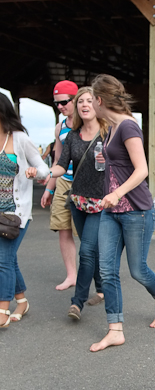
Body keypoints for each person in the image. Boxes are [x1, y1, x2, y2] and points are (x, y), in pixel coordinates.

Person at [89, 74, 155, 352]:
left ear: (99, 99)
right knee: (107, 271)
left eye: (90, 100)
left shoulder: (128, 126)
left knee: (138, 271)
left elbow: (142, 170)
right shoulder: (111, 128)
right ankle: (115, 330)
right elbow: (121, 166)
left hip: (135, 211)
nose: (89, 105)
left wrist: (116, 193)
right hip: (111, 211)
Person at [47, 87, 107, 320]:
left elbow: (122, 164)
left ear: (97, 104)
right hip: (78, 200)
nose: (84, 105)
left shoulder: (108, 133)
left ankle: (77, 302)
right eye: (80, 101)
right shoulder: (72, 136)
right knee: (91, 249)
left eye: (88, 101)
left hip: (100, 202)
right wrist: (45, 174)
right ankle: (101, 288)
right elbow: (62, 165)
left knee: (86, 250)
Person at [0, 93, 50, 327]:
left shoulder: (19, 138)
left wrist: (34, 172)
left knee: (3, 260)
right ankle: (21, 302)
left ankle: (2, 308)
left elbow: (44, 169)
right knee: (8, 258)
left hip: (15, 213)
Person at [41, 80, 79, 290]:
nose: (60, 107)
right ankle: (71, 275)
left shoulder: (89, 122)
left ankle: (100, 279)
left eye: (64, 102)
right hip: (64, 181)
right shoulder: (60, 127)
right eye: (56, 103)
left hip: (85, 182)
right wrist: (49, 188)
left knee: (87, 233)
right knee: (62, 228)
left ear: (75, 99)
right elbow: (57, 160)